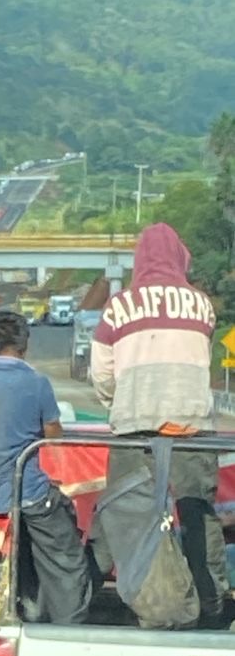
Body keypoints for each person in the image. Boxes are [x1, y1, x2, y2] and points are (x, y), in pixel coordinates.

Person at [90, 222, 227, 625]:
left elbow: (101, 371)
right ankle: (212, 606)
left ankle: (96, 596)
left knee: (121, 512)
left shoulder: (119, 307)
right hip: (191, 430)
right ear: (180, 256)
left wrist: (119, 402)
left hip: (134, 430)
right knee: (198, 514)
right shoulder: (202, 305)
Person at [0, 309, 91, 625]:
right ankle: (69, 629)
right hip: (31, 493)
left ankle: (24, 606)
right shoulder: (37, 382)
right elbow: (53, 434)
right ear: (25, 347)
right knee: (67, 559)